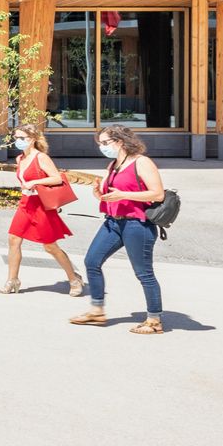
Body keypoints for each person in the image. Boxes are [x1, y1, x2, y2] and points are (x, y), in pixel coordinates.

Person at [69, 124, 165, 335]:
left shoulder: (142, 162)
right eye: (100, 144)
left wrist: (123, 195)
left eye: (105, 143)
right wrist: (98, 193)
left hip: (136, 224)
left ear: (120, 141)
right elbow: (109, 194)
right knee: (92, 261)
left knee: (144, 273)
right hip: (113, 222)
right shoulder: (113, 165)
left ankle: (154, 320)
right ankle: (96, 310)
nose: (102, 147)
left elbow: (157, 194)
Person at [0, 122, 82, 295]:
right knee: (13, 239)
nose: (18, 141)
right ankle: (12, 280)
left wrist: (36, 182)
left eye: (22, 138)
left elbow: (57, 178)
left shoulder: (41, 157)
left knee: (50, 246)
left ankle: (74, 279)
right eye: (16, 137)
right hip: (25, 203)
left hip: (41, 206)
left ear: (33, 139)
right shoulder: (20, 158)